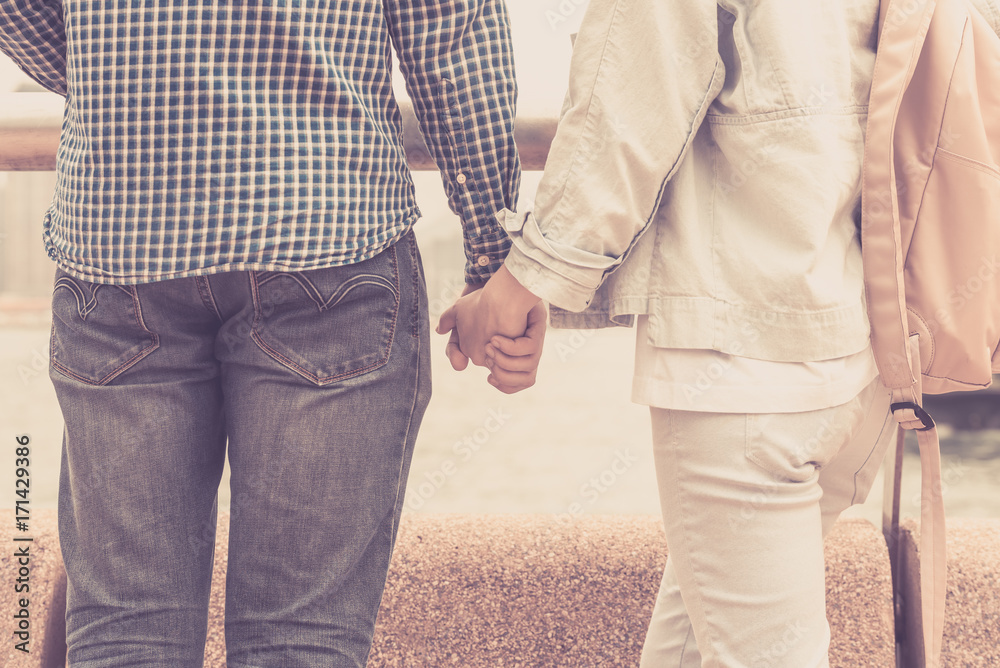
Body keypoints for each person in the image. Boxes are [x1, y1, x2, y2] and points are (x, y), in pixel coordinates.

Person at [0, 1, 533, 665]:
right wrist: (492, 258)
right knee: (300, 640)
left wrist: (131, 75)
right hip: (326, 234)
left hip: (117, 244)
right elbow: (449, 30)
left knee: (125, 631)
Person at [439, 1, 907, 665]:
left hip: (746, 357)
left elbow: (632, 97)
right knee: (690, 646)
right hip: (862, 361)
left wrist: (521, 281)